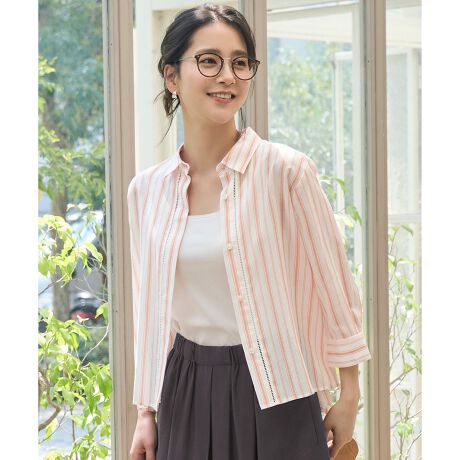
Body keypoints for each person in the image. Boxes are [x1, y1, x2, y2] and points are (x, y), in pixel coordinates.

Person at [128, 3, 371, 460]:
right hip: (184, 388)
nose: (228, 76)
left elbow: (334, 287)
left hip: (278, 386)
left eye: (240, 63)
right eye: (209, 61)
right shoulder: (146, 191)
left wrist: (350, 393)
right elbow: (150, 307)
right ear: (171, 75)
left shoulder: (286, 171)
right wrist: (146, 410)